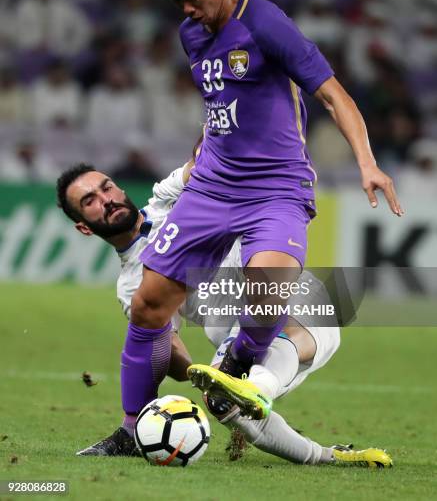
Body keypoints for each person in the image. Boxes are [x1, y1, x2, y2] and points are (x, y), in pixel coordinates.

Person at [119, 0, 403, 424]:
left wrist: (367, 161)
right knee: (148, 304)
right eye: (176, 0)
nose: (186, 9)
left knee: (268, 291)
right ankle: (130, 429)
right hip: (211, 185)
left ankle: (239, 363)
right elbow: (221, 104)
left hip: (276, 189)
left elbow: (333, 95)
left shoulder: (267, 23)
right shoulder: (192, 33)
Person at [56, 162, 392, 468]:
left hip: (289, 296)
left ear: (121, 189)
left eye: (107, 187)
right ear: (85, 227)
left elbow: (204, 156)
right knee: (221, 399)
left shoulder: (167, 196)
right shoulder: (132, 286)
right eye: (91, 201)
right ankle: (326, 456)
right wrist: (193, 372)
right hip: (231, 342)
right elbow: (171, 353)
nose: (107, 199)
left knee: (275, 317)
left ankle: (257, 386)